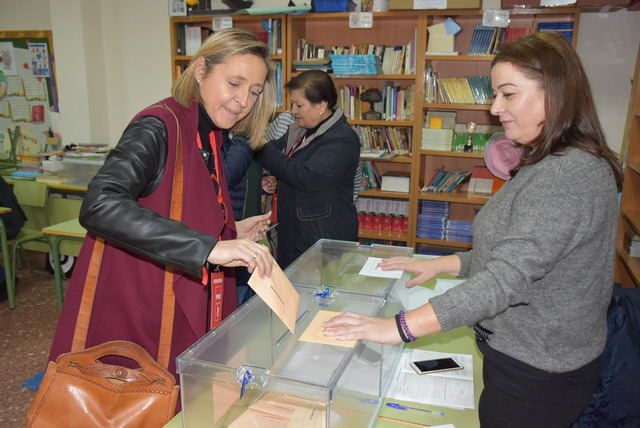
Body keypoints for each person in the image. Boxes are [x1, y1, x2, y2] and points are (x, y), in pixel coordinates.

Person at [324, 32, 623, 428]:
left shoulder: (570, 174)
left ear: (554, 91)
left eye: (508, 94)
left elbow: (507, 279)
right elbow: (521, 250)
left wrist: (397, 327)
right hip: (525, 357)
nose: (495, 107)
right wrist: (445, 264)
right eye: (495, 94)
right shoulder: (550, 161)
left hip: (539, 372)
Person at [48, 28, 276, 383]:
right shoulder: (158, 125)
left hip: (174, 291)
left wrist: (229, 232)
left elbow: (180, 207)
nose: (243, 100)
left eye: (254, 91)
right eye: (234, 83)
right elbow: (99, 204)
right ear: (201, 71)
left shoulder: (209, 132)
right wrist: (209, 247)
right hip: (142, 301)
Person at [257, 70, 360, 268]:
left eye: (299, 105)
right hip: (295, 234)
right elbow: (276, 160)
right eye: (292, 103)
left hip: (323, 241)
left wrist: (258, 144)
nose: (293, 110)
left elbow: (303, 176)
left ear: (321, 105)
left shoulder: (342, 139)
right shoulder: (299, 130)